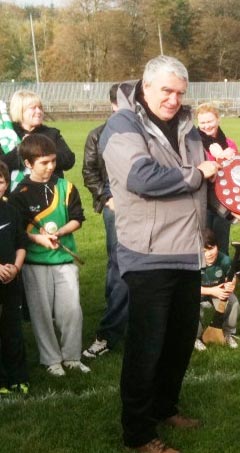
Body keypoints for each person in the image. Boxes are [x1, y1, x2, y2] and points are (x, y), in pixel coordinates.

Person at [99, 55, 219, 453]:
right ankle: (137, 433)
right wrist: (198, 174)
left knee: (180, 340)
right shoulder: (122, 125)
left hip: (186, 251)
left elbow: (205, 183)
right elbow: (141, 178)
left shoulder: (187, 124)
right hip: (147, 253)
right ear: (145, 86)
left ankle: (165, 408)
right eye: (166, 90)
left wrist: (221, 211)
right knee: (146, 347)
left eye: (180, 92)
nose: (173, 99)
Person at [8, 134, 90, 377]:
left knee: (72, 311)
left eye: (53, 161)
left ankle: (72, 357)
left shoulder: (67, 187)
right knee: (41, 312)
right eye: (44, 162)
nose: (51, 166)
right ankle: (51, 359)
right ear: (28, 164)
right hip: (34, 262)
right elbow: (18, 230)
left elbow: (77, 218)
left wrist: (62, 231)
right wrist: (38, 239)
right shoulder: (18, 193)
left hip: (64, 260)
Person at [82, 84, 129, 359]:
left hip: (144, 207)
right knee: (119, 265)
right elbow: (89, 171)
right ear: (113, 105)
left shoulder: (145, 131)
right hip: (116, 207)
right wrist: (107, 198)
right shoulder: (97, 134)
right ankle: (109, 332)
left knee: (142, 269)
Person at [0, 90, 75, 191]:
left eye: (40, 107)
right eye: (33, 108)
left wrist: (42, 150)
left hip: (48, 194)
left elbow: (69, 160)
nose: (38, 111)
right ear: (19, 110)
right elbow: (2, 165)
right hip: (16, 196)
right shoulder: (7, 135)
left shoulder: (51, 133)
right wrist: (19, 150)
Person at [0, 161, 29, 396]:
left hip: (11, 280)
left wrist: (16, 268)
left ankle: (18, 377)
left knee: (13, 328)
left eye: (1, 181)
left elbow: (21, 244)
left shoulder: (11, 211)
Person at [197, 103, 237, 255]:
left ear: (218, 120)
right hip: (202, 200)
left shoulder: (229, 144)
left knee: (222, 241)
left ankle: (223, 276)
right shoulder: (193, 143)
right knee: (204, 242)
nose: (206, 126)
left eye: (210, 121)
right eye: (202, 123)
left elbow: (236, 174)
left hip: (223, 201)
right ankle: (204, 277)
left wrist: (233, 159)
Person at [195, 228, 240, 351]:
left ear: (217, 246)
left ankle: (228, 332)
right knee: (190, 307)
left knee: (233, 302)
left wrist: (231, 285)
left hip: (218, 293)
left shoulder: (224, 260)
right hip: (199, 292)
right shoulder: (193, 262)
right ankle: (195, 337)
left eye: (211, 248)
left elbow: (232, 276)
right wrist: (212, 291)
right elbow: (189, 288)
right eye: (204, 251)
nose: (209, 254)